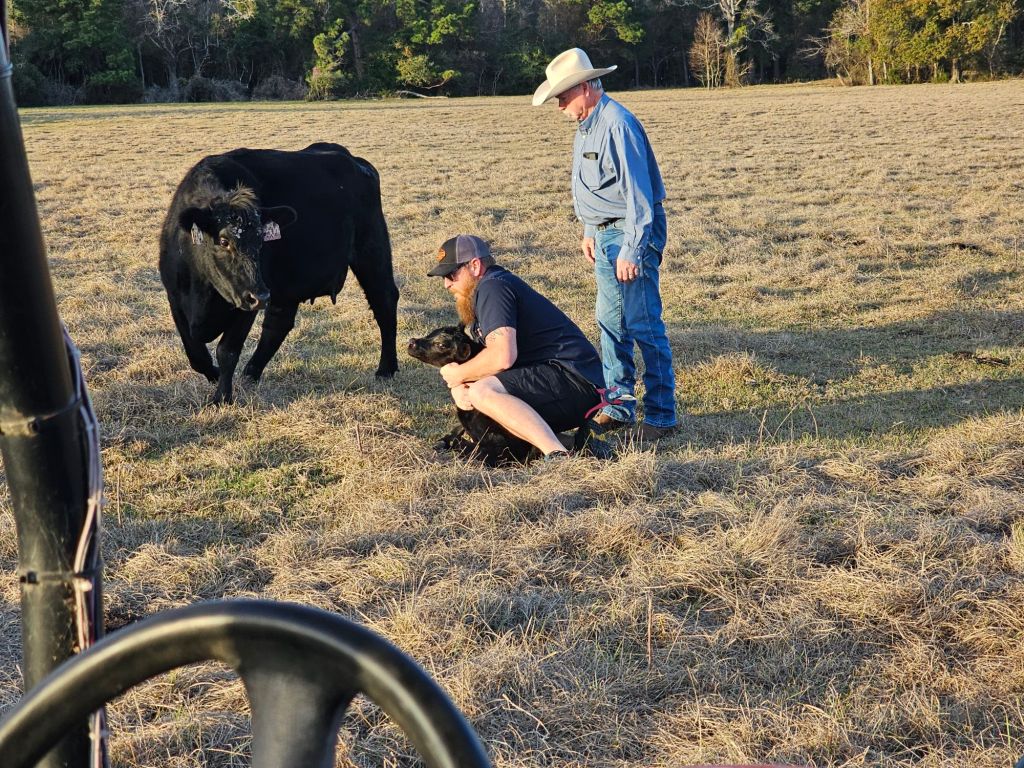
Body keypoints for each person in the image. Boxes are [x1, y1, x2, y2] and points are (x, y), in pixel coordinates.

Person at [533, 48, 677, 441]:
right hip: (605, 233)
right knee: (610, 323)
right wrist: (590, 229)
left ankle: (662, 416)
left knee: (643, 324)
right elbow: (595, 187)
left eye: (563, 96)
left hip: (630, 233)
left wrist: (633, 250)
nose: (560, 106)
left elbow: (640, 197)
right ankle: (618, 405)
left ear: (584, 88)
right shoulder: (587, 126)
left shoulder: (618, 125)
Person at [427, 233, 608, 461]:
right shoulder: (489, 288)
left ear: (474, 265)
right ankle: (574, 444)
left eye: (451, 274)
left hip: (574, 380)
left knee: (483, 392)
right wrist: (459, 385)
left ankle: (557, 454)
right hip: (566, 380)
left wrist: (458, 376)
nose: (447, 284)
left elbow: (502, 357)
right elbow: (487, 361)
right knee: (481, 394)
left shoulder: (493, 288)